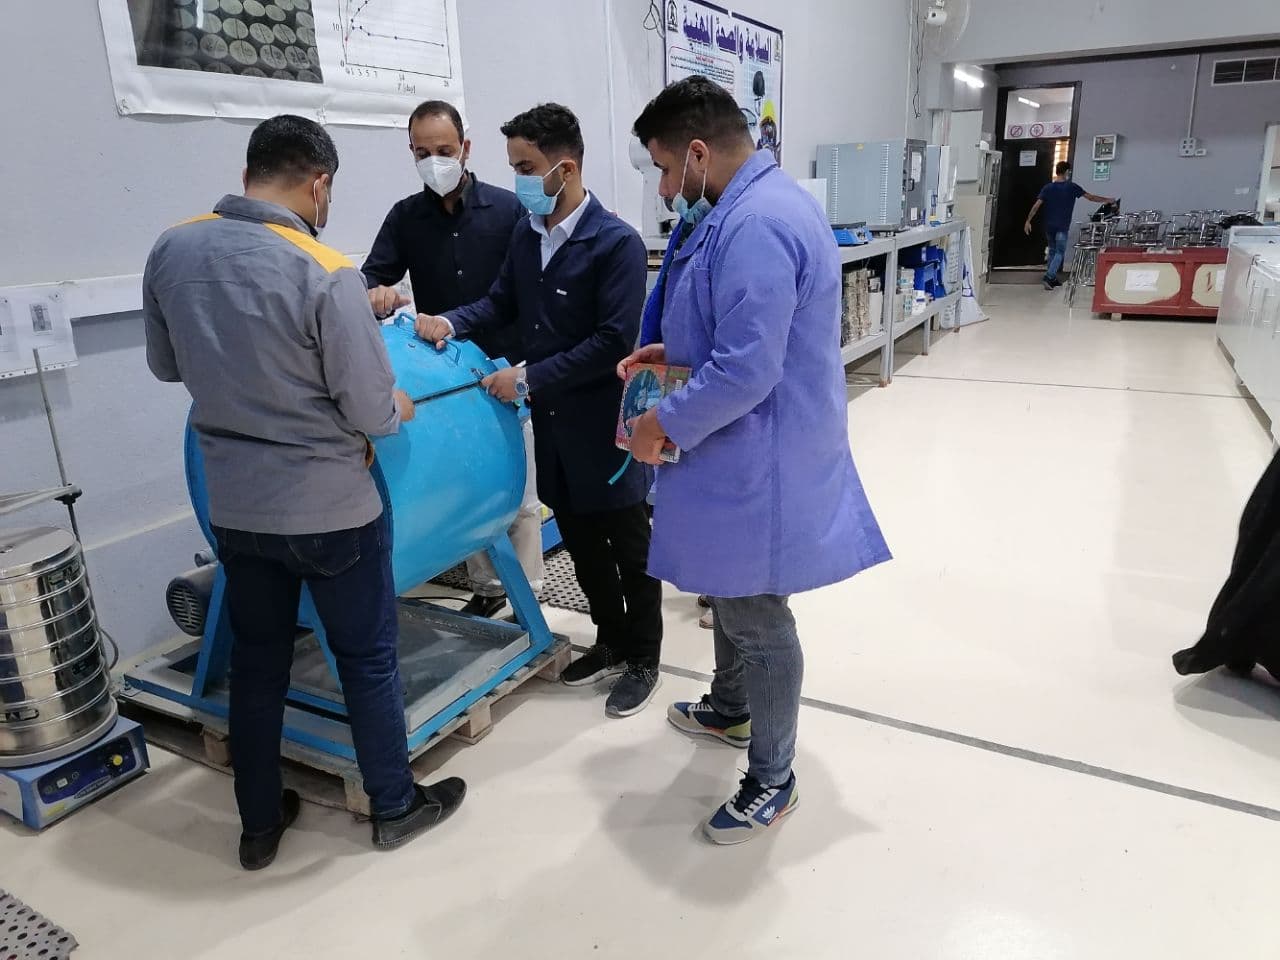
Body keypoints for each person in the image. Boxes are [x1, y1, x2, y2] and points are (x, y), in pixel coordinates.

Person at [143, 115, 466, 870]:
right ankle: (394, 806)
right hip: (332, 511)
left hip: (236, 507)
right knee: (366, 657)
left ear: (249, 172)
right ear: (319, 184)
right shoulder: (323, 269)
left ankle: (259, 823)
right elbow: (370, 409)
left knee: (259, 663)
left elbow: (166, 367)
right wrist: (397, 405)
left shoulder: (172, 249)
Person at [624, 76, 891, 845]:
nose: (665, 190)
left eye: (665, 170)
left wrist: (660, 423)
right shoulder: (747, 208)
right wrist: (672, 351)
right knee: (726, 580)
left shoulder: (756, 223)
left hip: (758, 454)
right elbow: (734, 328)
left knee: (756, 615)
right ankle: (730, 707)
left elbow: (747, 369)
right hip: (741, 442)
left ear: (697, 153)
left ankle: (773, 778)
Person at [415, 103, 663, 718]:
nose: (518, 180)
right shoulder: (528, 236)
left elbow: (612, 340)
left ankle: (644, 657)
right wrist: (449, 321)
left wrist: (526, 376)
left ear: (565, 168)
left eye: (526, 168)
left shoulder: (616, 244)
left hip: (605, 428)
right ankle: (609, 640)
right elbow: (499, 302)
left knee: (629, 546)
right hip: (552, 426)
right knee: (581, 542)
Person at [362, 99, 544, 619]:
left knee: (518, 494)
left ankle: (527, 595)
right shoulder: (406, 217)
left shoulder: (509, 211)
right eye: (422, 153)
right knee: (469, 489)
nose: (434, 162)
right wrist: (375, 292)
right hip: (448, 378)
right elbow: (373, 276)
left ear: (465, 147)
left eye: (443, 150)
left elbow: (526, 291)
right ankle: (488, 589)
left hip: (504, 369)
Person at [1024, 161, 1116, 291]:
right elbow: (1090, 197)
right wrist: (1107, 200)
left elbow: (1036, 205)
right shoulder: (1071, 187)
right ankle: (1048, 277)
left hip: (1049, 226)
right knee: (1059, 252)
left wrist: (1028, 221)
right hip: (1062, 226)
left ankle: (1052, 278)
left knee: (1052, 250)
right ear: (1067, 172)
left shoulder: (1048, 188)